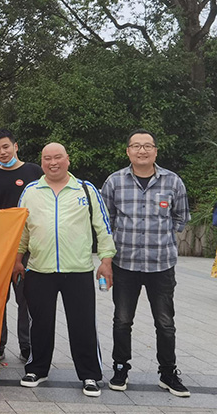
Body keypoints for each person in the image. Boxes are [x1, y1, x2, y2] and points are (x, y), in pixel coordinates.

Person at [13, 143, 116, 397]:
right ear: (41, 162)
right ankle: (37, 369)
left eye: (58, 157)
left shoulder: (86, 189)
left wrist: (106, 260)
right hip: (39, 269)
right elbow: (21, 229)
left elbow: (103, 227)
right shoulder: (31, 191)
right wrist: (17, 260)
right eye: (47, 158)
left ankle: (90, 374)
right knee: (40, 323)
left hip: (78, 270)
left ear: (67, 160)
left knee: (83, 324)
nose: (53, 163)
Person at [101, 130, 191, 397]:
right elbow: (107, 221)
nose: (142, 151)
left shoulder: (172, 181)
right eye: (136, 146)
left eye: (147, 146)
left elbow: (181, 218)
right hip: (125, 264)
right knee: (122, 320)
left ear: (155, 151)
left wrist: (160, 237)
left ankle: (168, 373)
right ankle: (120, 369)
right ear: (128, 151)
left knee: (165, 323)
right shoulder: (115, 181)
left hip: (161, 266)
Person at [0, 129, 43, 362]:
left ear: (16, 146)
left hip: (30, 248)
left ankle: (27, 346)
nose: (2, 152)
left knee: (27, 299)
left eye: (6, 147)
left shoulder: (34, 172)